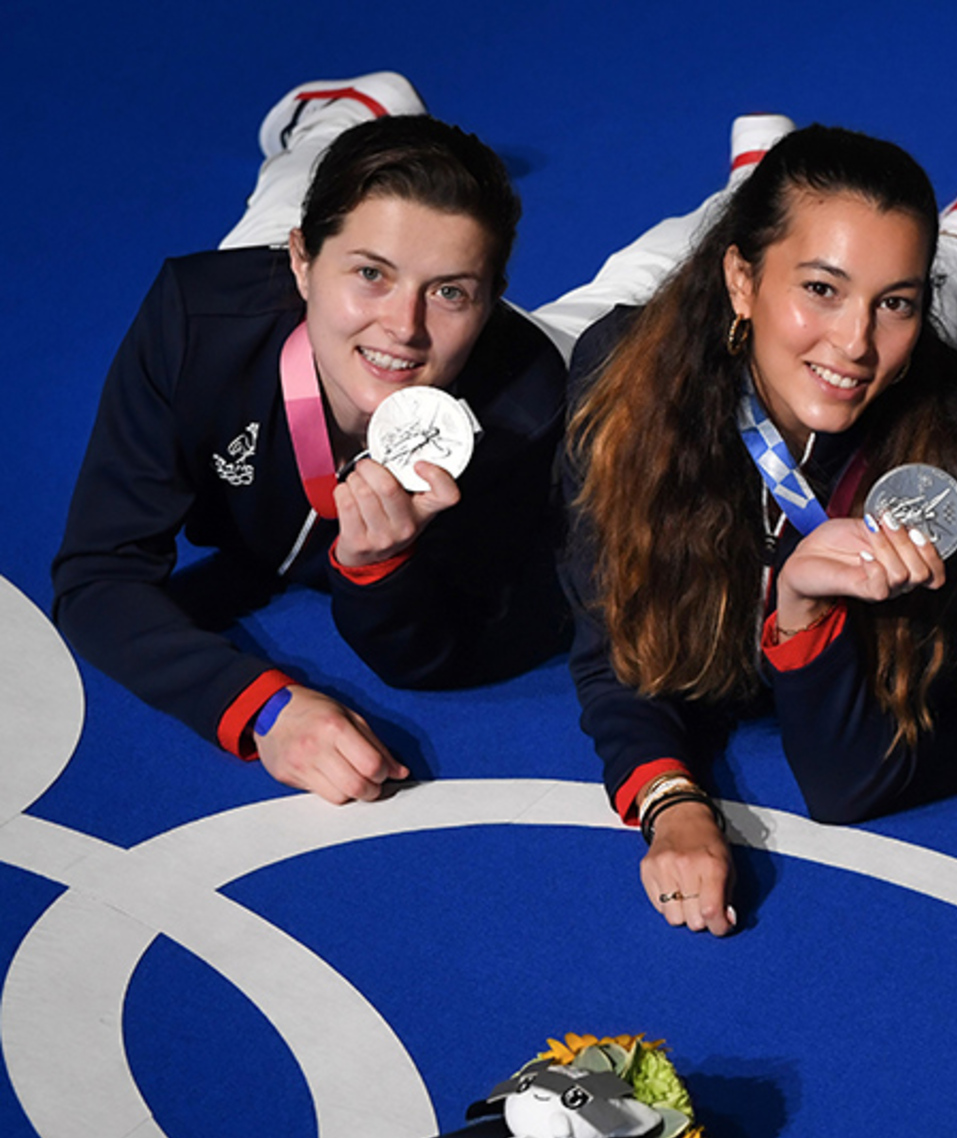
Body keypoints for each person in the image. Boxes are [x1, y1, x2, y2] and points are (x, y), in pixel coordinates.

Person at [562, 123, 957, 936]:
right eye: (820, 287)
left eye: (895, 303)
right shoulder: (627, 382)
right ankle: (926, 241)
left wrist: (805, 611)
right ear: (741, 280)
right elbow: (613, 645)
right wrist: (670, 798)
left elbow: (850, 779)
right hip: (737, 337)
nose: (855, 340)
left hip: (929, 398)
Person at [51, 74, 571, 805]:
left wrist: (381, 571)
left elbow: (458, 644)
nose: (404, 326)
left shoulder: (525, 411)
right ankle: (352, 113)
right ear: (300, 263)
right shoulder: (195, 327)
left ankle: (744, 191)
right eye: (372, 277)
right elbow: (97, 575)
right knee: (293, 207)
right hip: (269, 305)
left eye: (452, 291)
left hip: (507, 353)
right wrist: (264, 707)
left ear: (490, 299)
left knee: (628, 309)